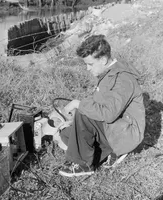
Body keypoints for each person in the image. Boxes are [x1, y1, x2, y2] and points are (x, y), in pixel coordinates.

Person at [55, 35, 145, 177]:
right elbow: (99, 104)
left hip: (126, 133)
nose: (87, 69)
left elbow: (108, 114)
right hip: (114, 126)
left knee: (82, 113)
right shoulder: (109, 72)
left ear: (103, 60)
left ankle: (84, 165)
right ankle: (105, 151)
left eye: (90, 64)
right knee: (67, 134)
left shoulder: (122, 79)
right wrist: (75, 123)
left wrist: (78, 104)